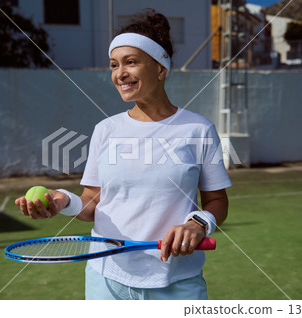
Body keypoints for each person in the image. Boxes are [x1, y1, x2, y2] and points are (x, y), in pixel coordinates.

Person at [15, 9, 231, 300]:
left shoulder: (199, 129)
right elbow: (93, 202)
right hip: (106, 281)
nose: (120, 73)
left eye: (131, 62)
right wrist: (63, 201)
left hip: (177, 282)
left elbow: (217, 201)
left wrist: (198, 223)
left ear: (160, 68)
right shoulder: (106, 129)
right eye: (114, 65)